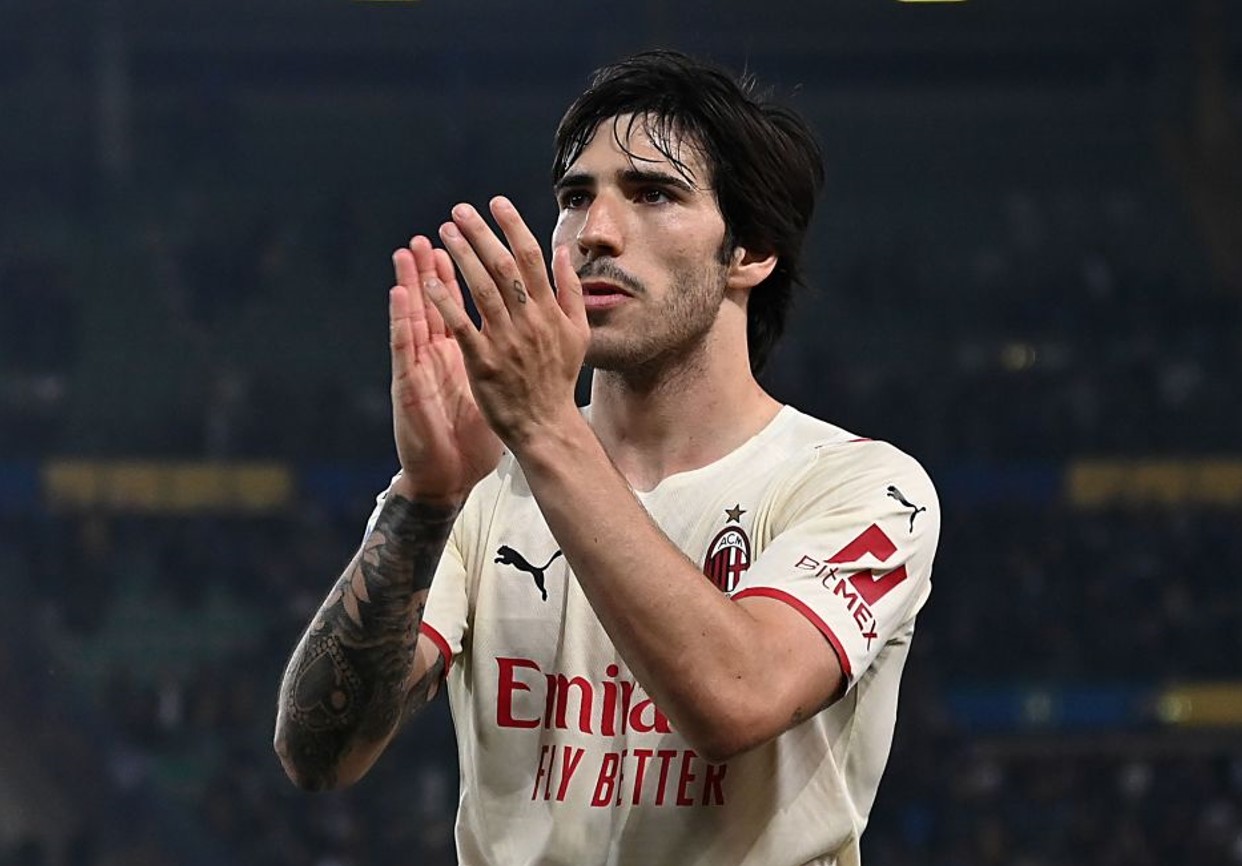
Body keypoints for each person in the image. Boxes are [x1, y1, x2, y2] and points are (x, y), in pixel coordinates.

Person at [274, 49, 939, 866]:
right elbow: (320, 753)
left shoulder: (861, 487)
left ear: (751, 251)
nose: (595, 232)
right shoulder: (487, 483)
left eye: (653, 193)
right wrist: (428, 492)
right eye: (575, 197)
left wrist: (544, 428)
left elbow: (737, 699)